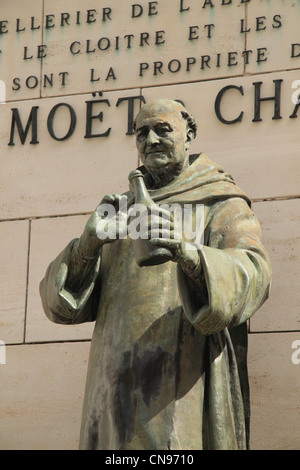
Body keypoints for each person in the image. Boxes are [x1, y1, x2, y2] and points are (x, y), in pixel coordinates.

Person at [40, 99, 271, 450]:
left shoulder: (220, 203)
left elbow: (253, 273)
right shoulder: (118, 209)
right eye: (141, 133)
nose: (150, 140)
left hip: (180, 385)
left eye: (163, 129)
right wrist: (85, 246)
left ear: (189, 134)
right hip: (111, 385)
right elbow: (59, 307)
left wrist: (187, 252)